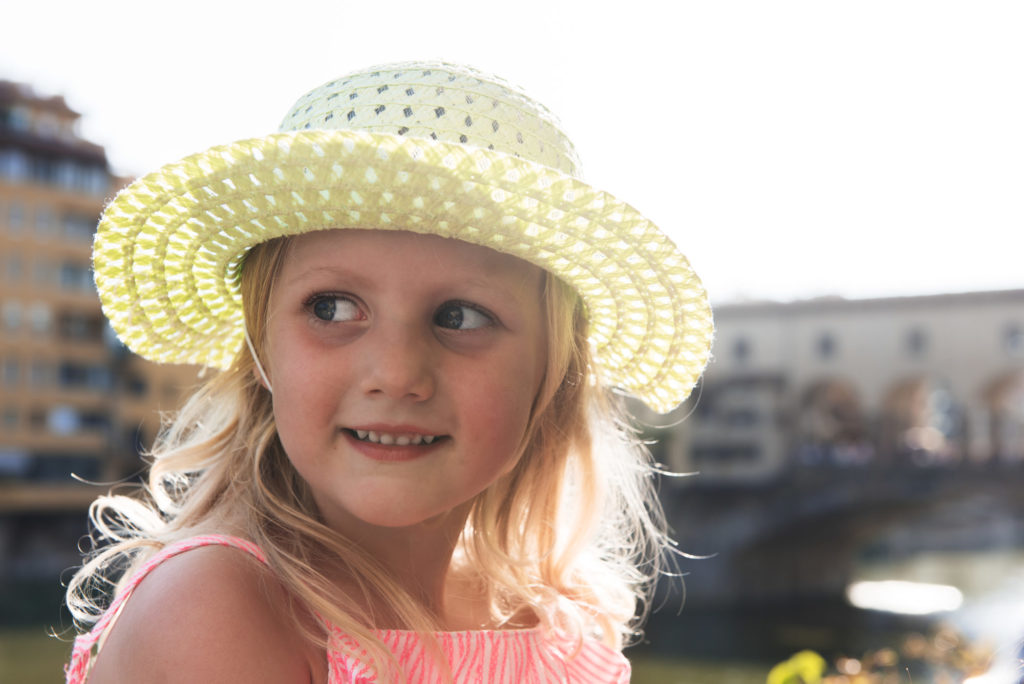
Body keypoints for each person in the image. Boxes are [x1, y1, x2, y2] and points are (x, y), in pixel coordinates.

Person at [64, 61, 714, 683]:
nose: (397, 373)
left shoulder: (556, 620)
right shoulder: (219, 609)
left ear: (554, 372)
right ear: (261, 348)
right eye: (333, 308)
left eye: (460, 316)